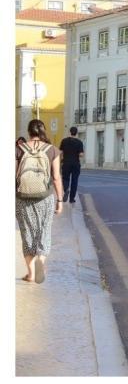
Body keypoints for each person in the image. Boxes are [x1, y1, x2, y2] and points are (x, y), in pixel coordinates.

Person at [15, 119, 63, 283]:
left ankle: (31, 274)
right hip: (45, 196)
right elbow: (56, 178)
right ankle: (41, 261)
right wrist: (60, 200)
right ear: (42, 131)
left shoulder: (19, 149)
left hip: (23, 197)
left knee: (27, 233)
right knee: (44, 230)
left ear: (29, 132)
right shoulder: (52, 150)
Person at [59, 126, 84, 203]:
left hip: (66, 163)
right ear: (76, 133)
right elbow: (81, 154)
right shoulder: (79, 142)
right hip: (75, 164)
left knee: (65, 178)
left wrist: (62, 159)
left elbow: (60, 152)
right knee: (74, 181)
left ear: (70, 132)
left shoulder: (64, 141)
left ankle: (66, 189)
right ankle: (72, 199)